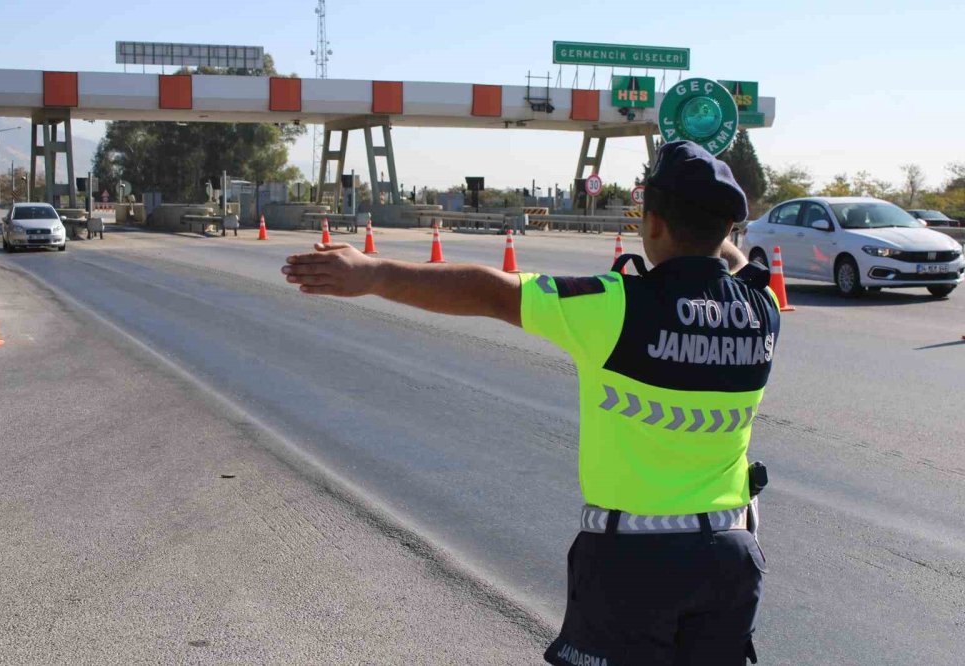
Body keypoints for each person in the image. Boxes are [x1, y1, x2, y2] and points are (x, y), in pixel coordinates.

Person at [280, 140, 781, 665]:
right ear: (728, 228)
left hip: (634, 565)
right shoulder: (761, 309)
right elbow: (735, 261)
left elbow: (491, 291)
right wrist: (712, 224)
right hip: (731, 557)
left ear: (652, 224)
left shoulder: (616, 308)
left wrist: (374, 273)